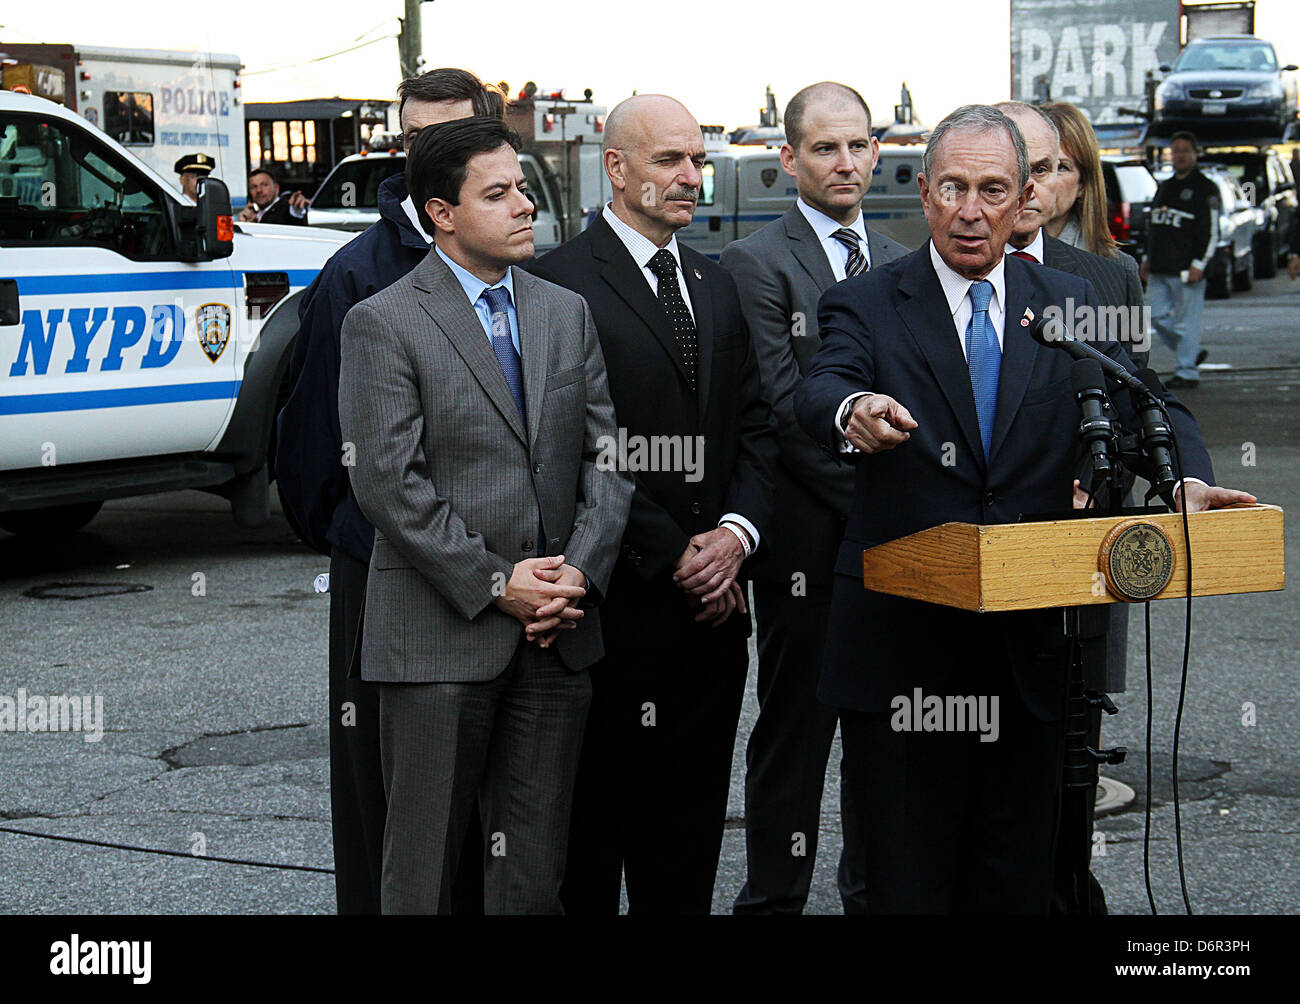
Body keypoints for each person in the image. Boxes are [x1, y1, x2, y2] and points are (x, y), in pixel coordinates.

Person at [794, 104, 1253, 914]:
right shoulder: (866, 302)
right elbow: (822, 385)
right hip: (903, 657)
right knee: (904, 886)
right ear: (926, 194)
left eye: (993, 190)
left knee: (1018, 888)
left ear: (1022, 201)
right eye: (955, 189)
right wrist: (855, 407)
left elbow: (1150, 403)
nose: (972, 211)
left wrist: (1183, 480)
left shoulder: (1069, 298)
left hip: (1032, 659)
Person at [338, 116, 633, 914]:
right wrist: (501, 583)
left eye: (523, 189)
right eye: (497, 194)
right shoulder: (384, 321)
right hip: (441, 638)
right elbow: (389, 485)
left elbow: (610, 458)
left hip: (558, 634)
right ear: (442, 213)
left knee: (534, 875)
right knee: (423, 873)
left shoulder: (562, 312)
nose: (523, 206)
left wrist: (576, 575)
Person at [528, 94, 779, 915]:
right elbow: (569, 449)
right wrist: (675, 551)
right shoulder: (556, 284)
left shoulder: (714, 280)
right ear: (616, 167)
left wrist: (736, 538)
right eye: (671, 159)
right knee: (594, 838)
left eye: (698, 160)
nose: (690, 177)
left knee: (689, 836)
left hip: (713, 619)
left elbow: (755, 425)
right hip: (613, 614)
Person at [275, 67, 505, 915]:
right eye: (417, 141)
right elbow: (309, 460)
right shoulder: (357, 277)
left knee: (489, 801)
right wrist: (366, 543)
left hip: (498, 580)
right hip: (386, 580)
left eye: (456, 136)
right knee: (385, 800)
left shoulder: (522, 265)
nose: (433, 156)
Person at [720, 81, 908, 916]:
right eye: (825, 147)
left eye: (858, 145)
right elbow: (783, 410)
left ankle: (873, 897)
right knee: (796, 736)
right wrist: (888, 502)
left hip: (901, 545)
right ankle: (772, 902)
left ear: (877, 152)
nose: (845, 162)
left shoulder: (905, 259)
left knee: (886, 740)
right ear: (788, 158)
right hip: (807, 549)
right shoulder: (754, 264)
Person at [997, 100, 1144, 915]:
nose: (1036, 185)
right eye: (1024, 166)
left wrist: (1112, 471)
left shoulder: (1105, 281)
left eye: (1053, 167)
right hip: (981, 570)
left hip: (1078, 566)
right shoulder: (904, 281)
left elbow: (1140, 404)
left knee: (1070, 755)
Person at [1041, 101, 1146, 365]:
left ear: (1083, 185)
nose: (1046, 181)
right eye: (1038, 167)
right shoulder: (982, 261)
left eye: (1061, 167)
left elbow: (1135, 372)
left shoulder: (1120, 272)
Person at [1140, 131, 1218, 389]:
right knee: (1156, 315)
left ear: (1196, 154)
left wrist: (1200, 263)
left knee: (1187, 323)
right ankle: (1191, 352)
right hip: (1160, 267)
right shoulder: (1165, 187)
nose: (1180, 155)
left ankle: (1187, 371)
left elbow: (1212, 230)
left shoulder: (1205, 188)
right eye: (1175, 151)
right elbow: (1156, 226)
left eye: (1185, 150)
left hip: (1187, 269)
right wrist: (1147, 258)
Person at [240, 168, 309, 225]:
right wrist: (246, 225)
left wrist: (297, 209)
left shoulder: (286, 209)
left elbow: (295, 216)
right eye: (253, 187)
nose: (259, 190)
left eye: (264, 185)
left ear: (276, 188)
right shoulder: (254, 214)